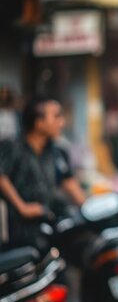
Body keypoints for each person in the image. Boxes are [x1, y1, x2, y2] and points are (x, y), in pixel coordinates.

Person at [0, 96, 86, 250]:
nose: (62, 122)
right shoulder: (12, 147)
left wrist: (90, 209)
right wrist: (22, 207)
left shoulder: (57, 152)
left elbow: (70, 184)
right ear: (38, 122)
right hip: (20, 232)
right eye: (56, 116)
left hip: (50, 228)